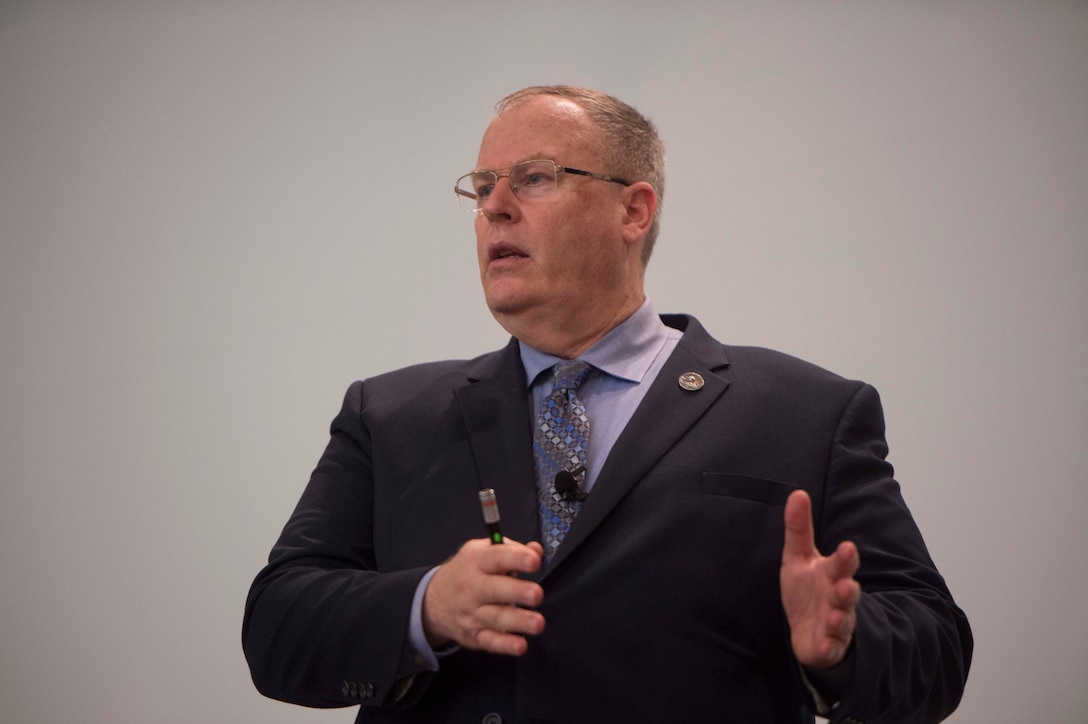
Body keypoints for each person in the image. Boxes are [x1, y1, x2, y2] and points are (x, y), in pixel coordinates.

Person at [243, 85, 972, 723]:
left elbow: (935, 646)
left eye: (534, 178)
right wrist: (427, 607)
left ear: (634, 210)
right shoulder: (390, 414)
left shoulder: (805, 413)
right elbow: (277, 628)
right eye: (482, 186)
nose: (494, 207)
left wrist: (845, 647)